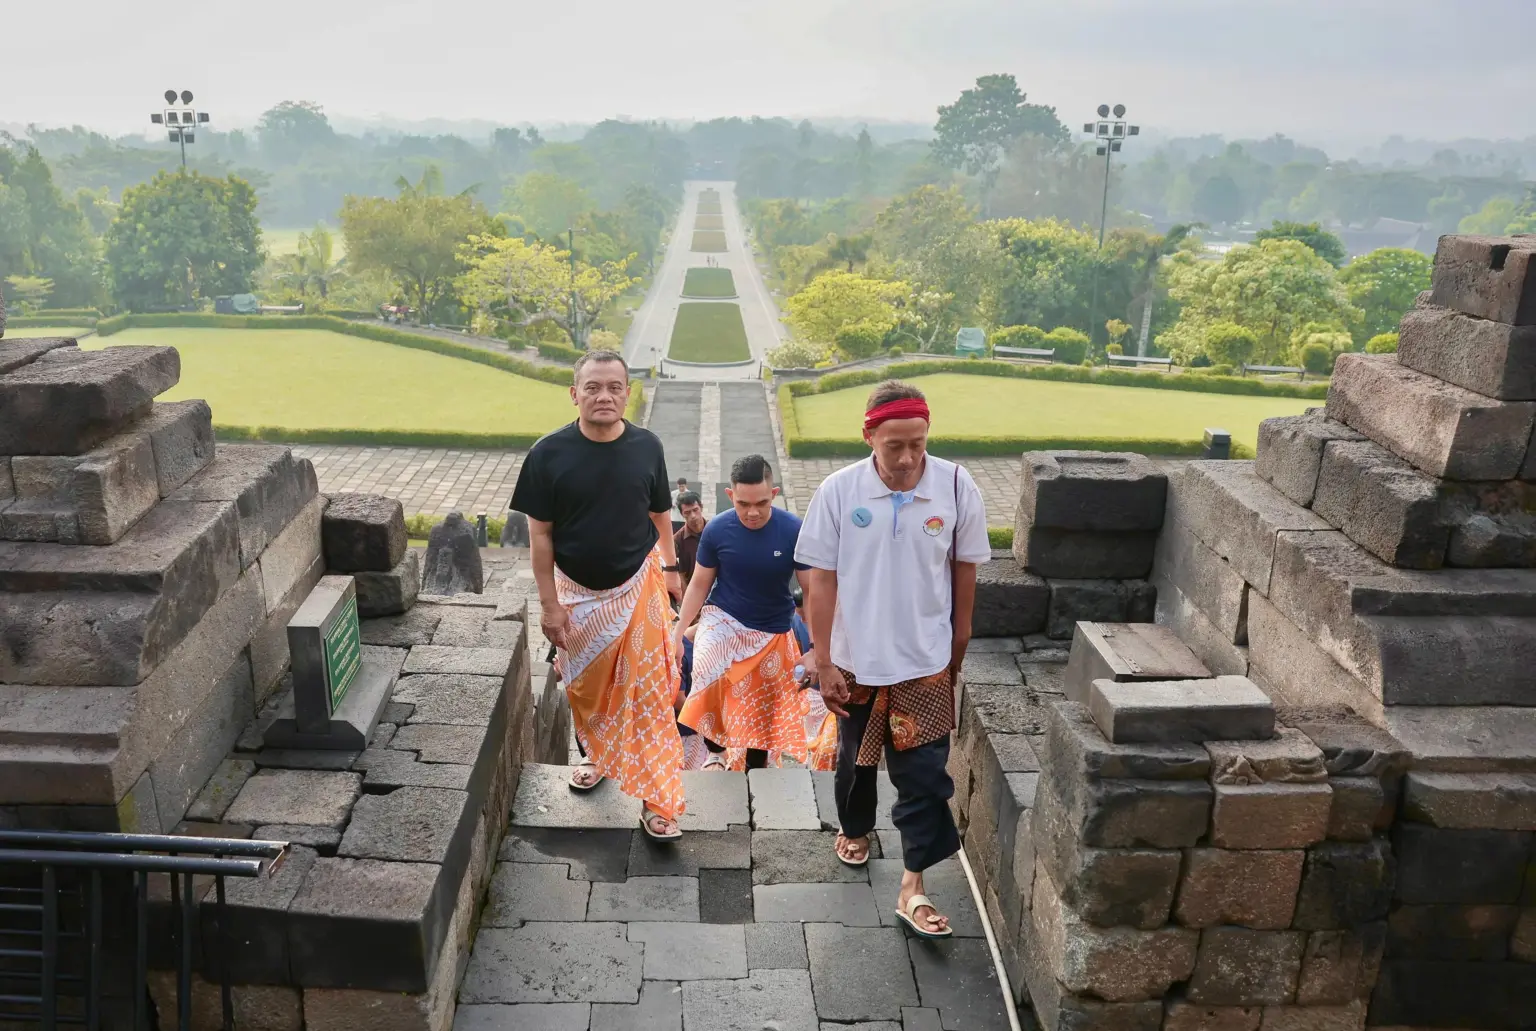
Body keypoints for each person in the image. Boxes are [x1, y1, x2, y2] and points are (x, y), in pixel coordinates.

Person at [794, 380, 990, 939]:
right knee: (856, 760)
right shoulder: (839, 491)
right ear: (869, 437)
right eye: (894, 445)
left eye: (918, 444)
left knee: (925, 776)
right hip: (856, 660)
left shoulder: (954, 484)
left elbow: (965, 571)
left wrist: (957, 646)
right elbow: (821, 580)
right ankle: (854, 826)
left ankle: (914, 886)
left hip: (924, 661)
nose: (907, 458)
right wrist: (825, 659)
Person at [510, 349, 688, 841]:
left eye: (614, 387)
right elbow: (540, 536)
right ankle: (600, 756)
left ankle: (659, 801)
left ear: (627, 393)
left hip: (640, 587)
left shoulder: (647, 446)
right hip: (578, 595)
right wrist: (549, 605)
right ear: (575, 394)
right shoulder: (547, 454)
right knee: (587, 692)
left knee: (651, 697)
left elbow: (659, 517)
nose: (604, 396)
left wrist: (672, 570)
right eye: (593, 387)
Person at [674, 455, 813, 771]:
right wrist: (678, 631)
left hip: (773, 627)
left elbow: (811, 594)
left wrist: (816, 649)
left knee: (762, 708)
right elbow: (699, 583)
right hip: (724, 616)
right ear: (729, 496)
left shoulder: (793, 529)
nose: (752, 512)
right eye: (743, 504)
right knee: (707, 665)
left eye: (761, 503)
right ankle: (715, 751)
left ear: (774, 494)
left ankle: (755, 768)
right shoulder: (719, 530)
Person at [673, 491, 706, 587]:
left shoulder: (715, 531)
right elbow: (677, 573)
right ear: (682, 514)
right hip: (691, 590)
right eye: (687, 512)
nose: (693, 516)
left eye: (695, 510)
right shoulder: (677, 540)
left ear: (701, 507)